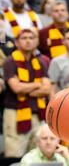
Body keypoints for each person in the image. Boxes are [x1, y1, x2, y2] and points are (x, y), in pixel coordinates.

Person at [2, 28, 51, 157]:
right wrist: (37, 84)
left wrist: (25, 88)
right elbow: (16, 88)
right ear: (17, 43)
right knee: (15, 153)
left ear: (36, 42)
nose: (28, 41)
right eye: (24, 38)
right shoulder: (10, 61)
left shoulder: (40, 63)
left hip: (36, 113)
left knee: (35, 154)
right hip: (15, 113)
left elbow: (47, 89)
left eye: (31, 38)